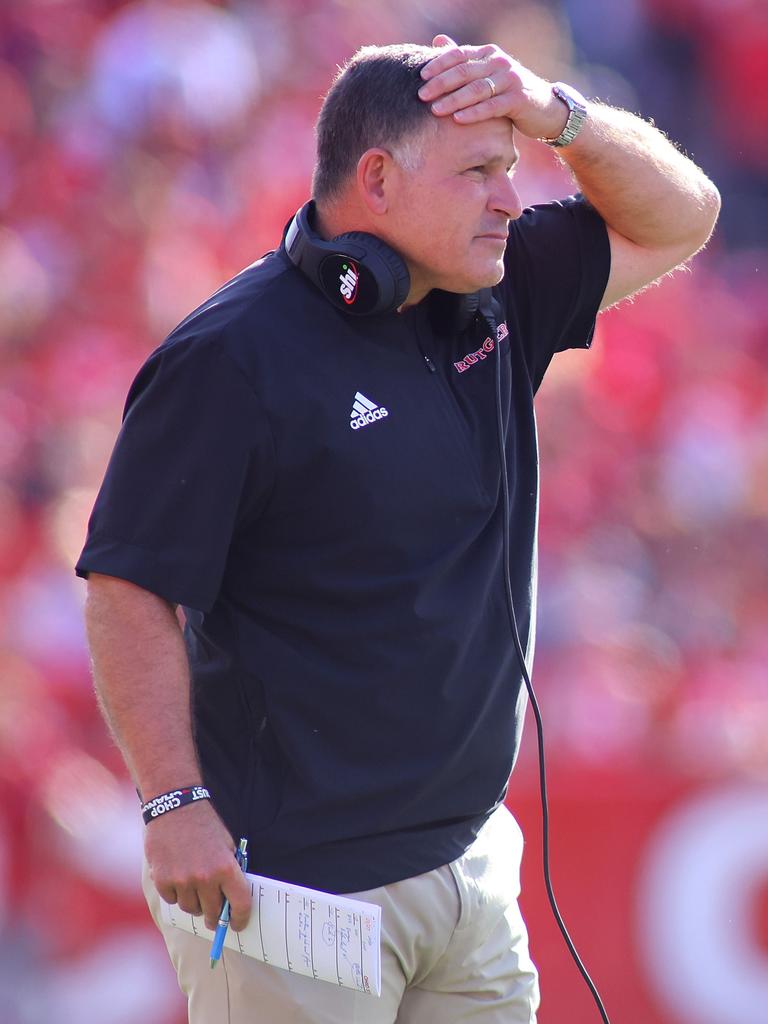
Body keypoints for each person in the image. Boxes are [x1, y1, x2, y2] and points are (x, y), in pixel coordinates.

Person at [76, 35, 719, 1024]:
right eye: (478, 172)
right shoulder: (230, 356)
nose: (510, 197)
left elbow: (687, 215)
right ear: (375, 179)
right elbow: (127, 586)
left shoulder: (497, 286)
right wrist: (172, 802)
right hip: (297, 892)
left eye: (511, 169)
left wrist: (559, 115)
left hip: (471, 869)